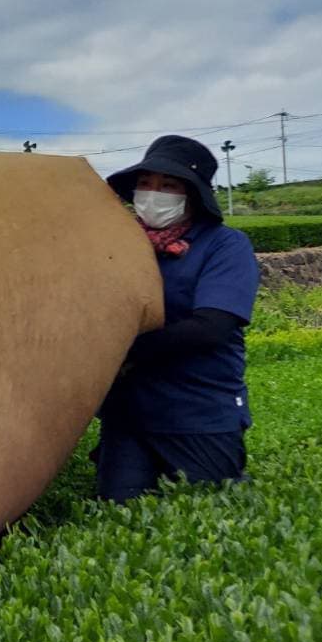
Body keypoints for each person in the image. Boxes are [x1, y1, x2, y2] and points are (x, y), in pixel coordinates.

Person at [97, 135, 260, 502]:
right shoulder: (120, 247)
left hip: (197, 411)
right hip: (129, 415)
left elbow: (212, 328)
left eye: (168, 185)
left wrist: (124, 351)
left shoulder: (224, 245)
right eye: (145, 183)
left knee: (209, 503)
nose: (153, 194)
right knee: (117, 506)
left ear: (192, 193)